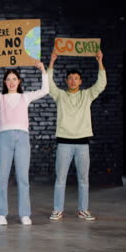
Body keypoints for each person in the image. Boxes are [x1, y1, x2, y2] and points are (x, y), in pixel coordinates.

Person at [0, 60, 48, 226]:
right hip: (5, 138)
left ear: (19, 82)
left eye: (14, 79)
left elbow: (45, 90)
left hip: (23, 137)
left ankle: (25, 214)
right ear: (5, 82)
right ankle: (1, 213)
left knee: (23, 178)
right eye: (8, 79)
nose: (11, 82)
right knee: (2, 177)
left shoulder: (25, 97)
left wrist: (43, 70)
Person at [47, 50, 106, 221]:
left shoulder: (87, 95)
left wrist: (100, 61)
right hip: (63, 143)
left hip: (82, 144)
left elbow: (101, 84)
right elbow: (49, 84)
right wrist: (52, 61)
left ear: (80, 81)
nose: (73, 81)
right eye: (70, 78)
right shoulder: (60, 95)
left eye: (76, 78)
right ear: (66, 81)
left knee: (83, 179)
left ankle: (83, 210)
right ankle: (58, 210)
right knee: (60, 179)